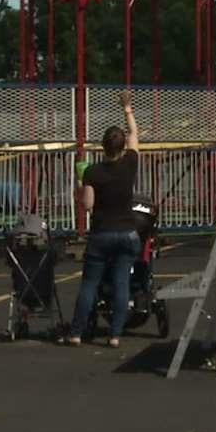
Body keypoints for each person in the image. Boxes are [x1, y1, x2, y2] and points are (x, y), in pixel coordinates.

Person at [66, 90, 142, 348]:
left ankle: (76, 332)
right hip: (127, 232)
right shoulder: (130, 163)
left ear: (102, 147)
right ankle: (115, 334)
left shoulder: (92, 171)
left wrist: (80, 183)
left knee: (89, 283)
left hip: (101, 233)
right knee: (122, 283)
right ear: (122, 148)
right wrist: (127, 108)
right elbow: (134, 135)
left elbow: (87, 205)